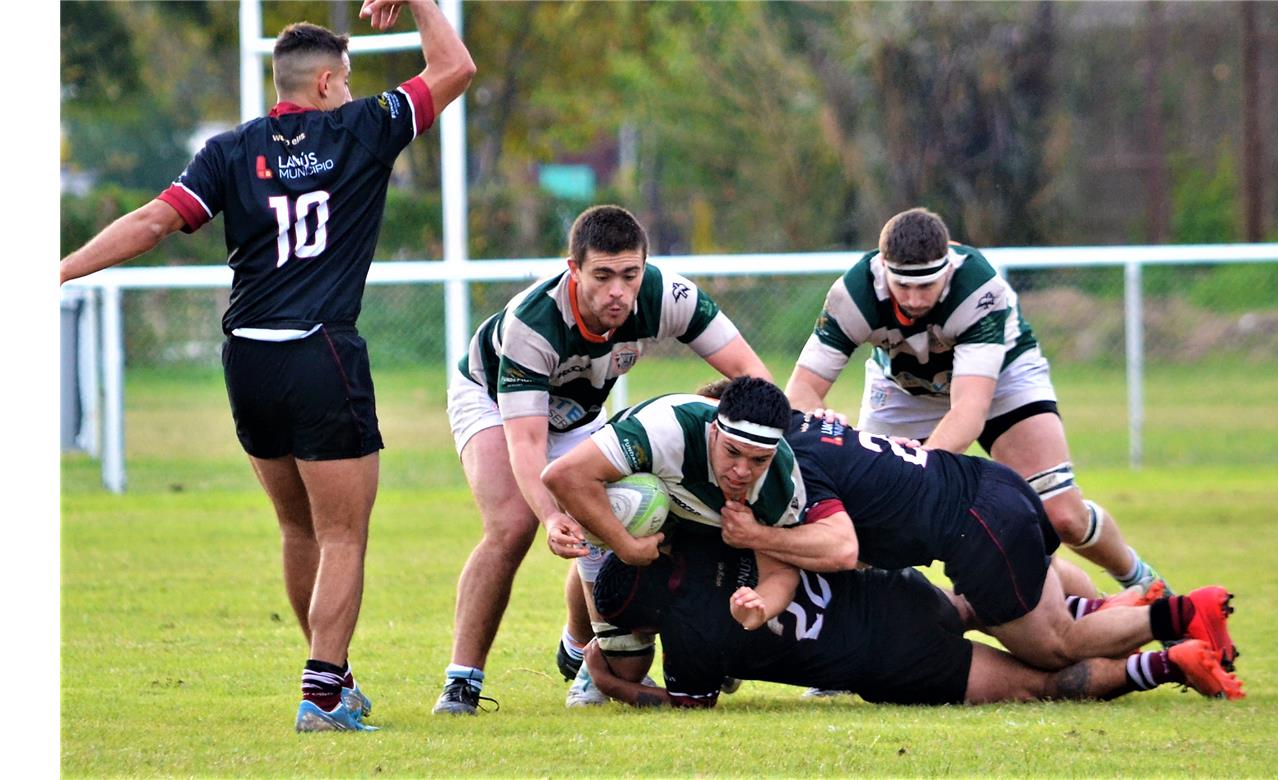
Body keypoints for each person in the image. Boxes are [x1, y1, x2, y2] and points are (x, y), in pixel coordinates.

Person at [58, 0, 476, 732]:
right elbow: (456, 68)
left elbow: (155, 222)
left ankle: (334, 679)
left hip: (246, 356)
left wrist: (61, 268)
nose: (348, 91)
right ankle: (320, 695)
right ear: (323, 85)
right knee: (343, 533)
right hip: (320, 352)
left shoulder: (230, 150)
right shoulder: (362, 127)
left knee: (297, 529)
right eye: (343, 81)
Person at [436, 206, 771, 715]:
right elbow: (527, 446)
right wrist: (551, 517)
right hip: (491, 398)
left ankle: (581, 650)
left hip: (579, 412)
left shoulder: (666, 297)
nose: (618, 290)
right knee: (512, 525)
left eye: (629, 275)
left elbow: (749, 373)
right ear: (574, 269)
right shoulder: (536, 324)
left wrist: (777, 440)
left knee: (605, 510)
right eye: (602, 276)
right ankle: (462, 681)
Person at [785, 208, 1167, 595]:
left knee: (1063, 516)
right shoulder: (853, 293)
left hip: (999, 379)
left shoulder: (979, 288)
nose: (915, 299)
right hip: (903, 388)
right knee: (867, 526)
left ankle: (1143, 584)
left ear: (948, 269)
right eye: (903, 286)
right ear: (883, 269)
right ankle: (1097, 619)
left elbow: (969, 410)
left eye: (927, 285)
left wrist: (912, 477)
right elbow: (800, 391)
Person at [721, 406, 1238, 673]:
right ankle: (1121, 607)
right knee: (1051, 584)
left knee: (1055, 646)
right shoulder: (805, 427)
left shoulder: (794, 471)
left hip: (979, 531)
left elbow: (842, 550)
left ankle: (1186, 614)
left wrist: (755, 534)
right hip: (992, 482)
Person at [584, 538, 1243, 709]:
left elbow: (693, 704)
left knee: (1038, 683)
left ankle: (1169, 660)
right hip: (899, 593)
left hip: (892, 666)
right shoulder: (709, 537)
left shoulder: (690, 643)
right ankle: (1143, 612)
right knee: (998, 609)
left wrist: (613, 685)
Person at [538, 376, 802, 706]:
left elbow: (781, 570)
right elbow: (562, 477)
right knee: (627, 669)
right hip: (637, 523)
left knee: (708, 622)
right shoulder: (667, 430)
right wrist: (625, 545)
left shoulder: (783, 483)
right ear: (714, 432)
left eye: (758, 460)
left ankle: (714, 643)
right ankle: (585, 650)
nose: (741, 472)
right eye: (732, 453)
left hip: (712, 539)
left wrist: (759, 606)